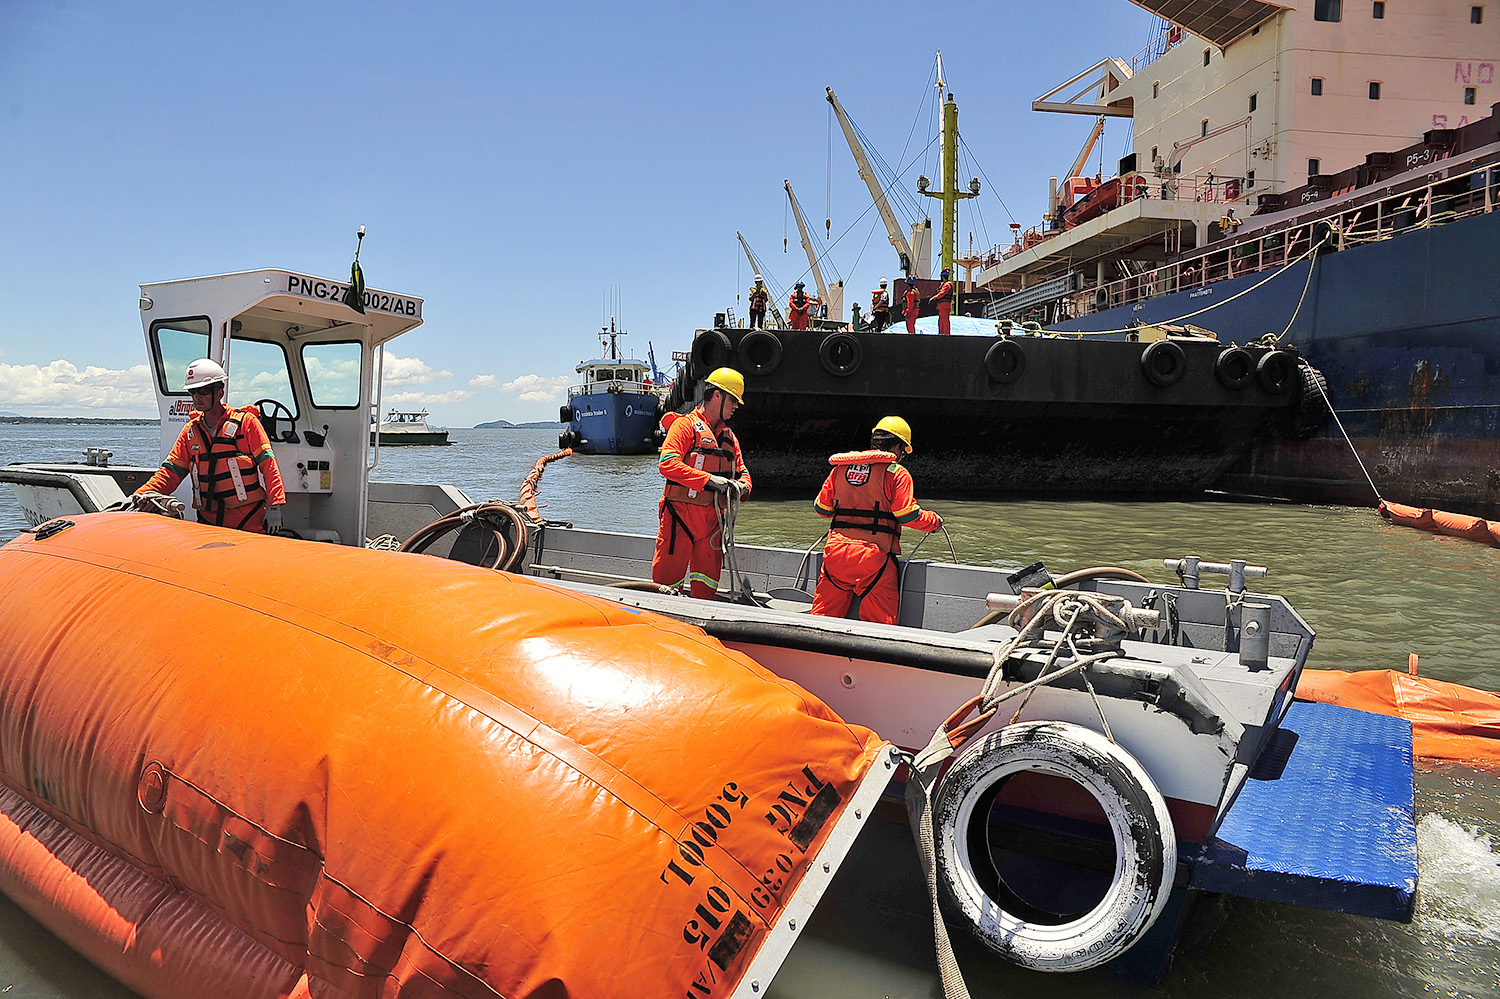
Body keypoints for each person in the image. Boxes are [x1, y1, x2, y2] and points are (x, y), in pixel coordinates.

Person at [810, 416, 941, 626]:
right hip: (873, 560)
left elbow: (821, 509)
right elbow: (906, 514)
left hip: (835, 557)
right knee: (880, 628)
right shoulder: (896, 473)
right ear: (898, 447)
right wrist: (934, 521)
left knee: (821, 621)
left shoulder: (841, 469)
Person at [135, 358, 287, 534]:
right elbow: (170, 473)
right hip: (208, 522)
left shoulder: (247, 423)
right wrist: (138, 497)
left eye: (204, 391)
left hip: (248, 519)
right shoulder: (191, 432)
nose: (197, 397)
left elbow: (269, 466)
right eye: (193, 392)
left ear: (220, 392)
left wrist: (275, 506)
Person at [652, 367, 752, 600]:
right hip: (680, 518)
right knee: (666, 586)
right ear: (717, 395)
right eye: (733, 400)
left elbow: (743, 471)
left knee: (707, 586)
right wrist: (709, 481)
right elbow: (667, 463)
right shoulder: (684, 426)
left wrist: (743, 487)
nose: (736, 406)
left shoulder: (729, 436)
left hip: (713, 524)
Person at [933, 268, 954, 336]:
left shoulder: (947, 285)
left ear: (942, 276)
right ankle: (942, 333)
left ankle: (945, 334)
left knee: (944, 321)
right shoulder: (946, 284)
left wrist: (934, 297)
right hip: (943, 305)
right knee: (941, 321)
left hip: (944, 305)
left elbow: (942, 293)